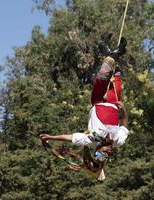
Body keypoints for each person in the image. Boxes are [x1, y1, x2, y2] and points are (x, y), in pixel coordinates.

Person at [40, 33, 129, 180]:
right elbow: (125, 126)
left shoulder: (91, 140)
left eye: (101, 153)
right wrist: (124, 111)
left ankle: (110, 52)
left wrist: (51, 137)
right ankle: (110, 52)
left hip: (98, 101)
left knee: (102, 75)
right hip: (114, 103)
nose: (106, 152)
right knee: (117, 74)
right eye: (107, 155)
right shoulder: (118, 141)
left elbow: (70, 138)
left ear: (96, 151)